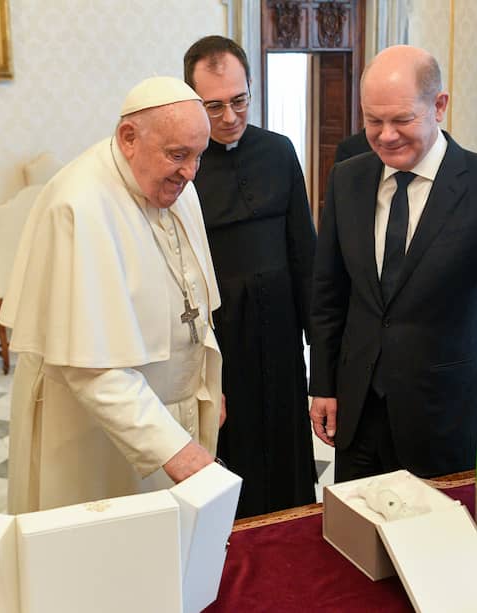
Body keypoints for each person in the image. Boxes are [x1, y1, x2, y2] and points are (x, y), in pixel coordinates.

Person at [310, 45, 477, 482]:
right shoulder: (347, 178)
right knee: (356, 538)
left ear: (439, 105)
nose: (385, 135)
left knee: (440, 538)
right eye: (373, 120)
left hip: (442, 412)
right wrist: (323, 383)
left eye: (402, 120)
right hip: (358, 407)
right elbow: (329, 290)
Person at [0, 77, 223, 513]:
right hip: (95, 432)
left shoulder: (178, 184)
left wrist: (205, 385)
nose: (191, 172)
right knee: (103, 554)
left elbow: (194, 304)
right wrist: (173, 448)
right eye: (178, 155)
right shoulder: (79, 204)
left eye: (199, 156)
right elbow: (91, 367)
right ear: (129, 138)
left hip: (168, 415)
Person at [183, 36, 317, 517]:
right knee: (230, 440)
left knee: (284, 435)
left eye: (239, 101)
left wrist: (318, 342)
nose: (229, 116)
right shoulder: (185, 167)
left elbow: (304, 251)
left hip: (280, 329)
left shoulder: (279, 152)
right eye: (213, 106)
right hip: (221, 338)